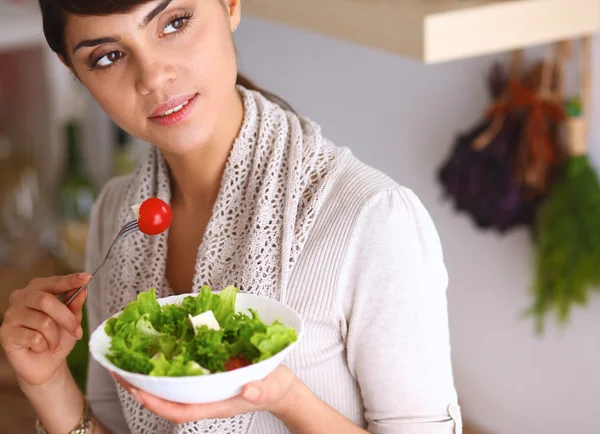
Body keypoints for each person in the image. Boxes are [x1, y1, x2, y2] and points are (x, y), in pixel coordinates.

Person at [0, 0, 463, 433]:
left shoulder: (372, 219)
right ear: (72, 70)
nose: (154, 77)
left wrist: (285, 398)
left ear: (230, 4)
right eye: (107, 56)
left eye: (174, 23)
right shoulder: (118, 216)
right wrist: (47, 383)